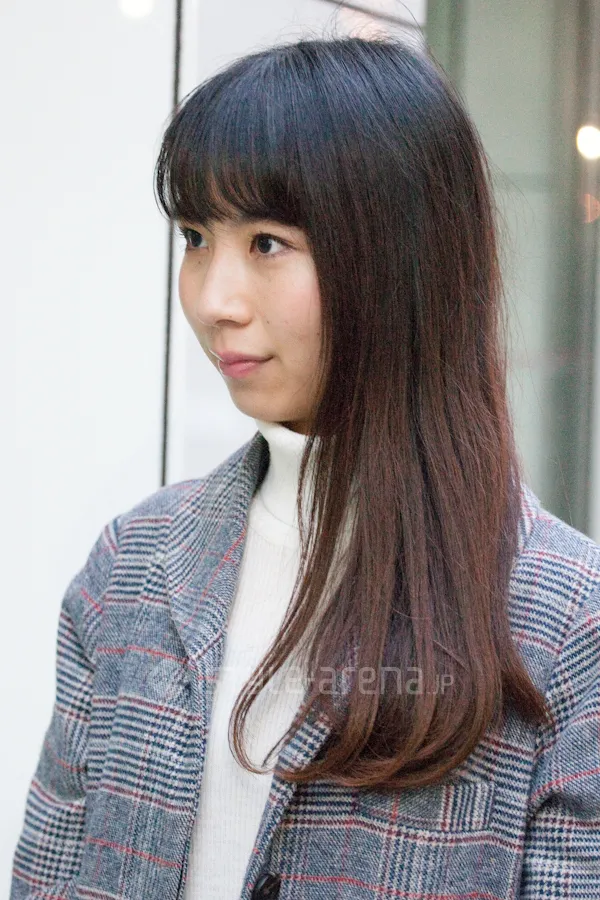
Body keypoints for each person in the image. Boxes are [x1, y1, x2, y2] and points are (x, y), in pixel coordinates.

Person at [10, 34, 600, 900]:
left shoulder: (565, 620)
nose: (213, 299)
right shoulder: (130, 566)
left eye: (267, 243)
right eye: (196, 236)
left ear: (401, 258)